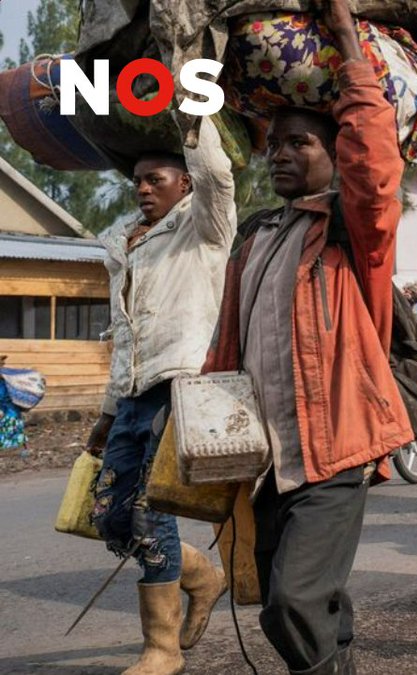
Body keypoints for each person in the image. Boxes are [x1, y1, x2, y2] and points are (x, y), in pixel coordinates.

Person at [202, 1, 413, 670]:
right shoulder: (257, 239)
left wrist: (346, 35)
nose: (281, 155)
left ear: (332, 152)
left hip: (335, 453)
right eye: (275, 144)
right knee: (289, 597)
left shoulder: (354, 236)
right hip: (268, 459)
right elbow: (226, 352)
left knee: (291, 602)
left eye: (301, 142)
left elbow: (375, 166)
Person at [83, 112, 234, 671]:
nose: (144, 188)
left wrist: (194, 108)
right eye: (138, 182)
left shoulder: (203, 227)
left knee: (149, 516)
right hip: (133, 394)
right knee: (111, 516)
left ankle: (161, 650)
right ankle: (203, 576)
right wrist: (106, 412)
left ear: (186, 185)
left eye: (157, 180)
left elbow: (217, 174)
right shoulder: (127, 245)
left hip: (181, 387)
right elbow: (124, 336)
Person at [0, 355, 28, 452]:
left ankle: (20, 449)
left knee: (13, 426)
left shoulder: (7, 378)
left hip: (9, 409)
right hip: (6, 408)